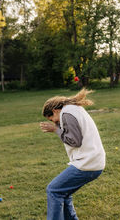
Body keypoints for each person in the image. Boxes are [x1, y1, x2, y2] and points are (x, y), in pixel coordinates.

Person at [40, 89, 106, 220]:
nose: (54, 122)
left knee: (53, 190)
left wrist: (56, 130)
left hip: (87, 164)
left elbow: (74, 141)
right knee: (63, 193)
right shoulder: (73, 109)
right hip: (93, 162)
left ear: (54, 111)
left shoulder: (67, 113)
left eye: (52, 119)